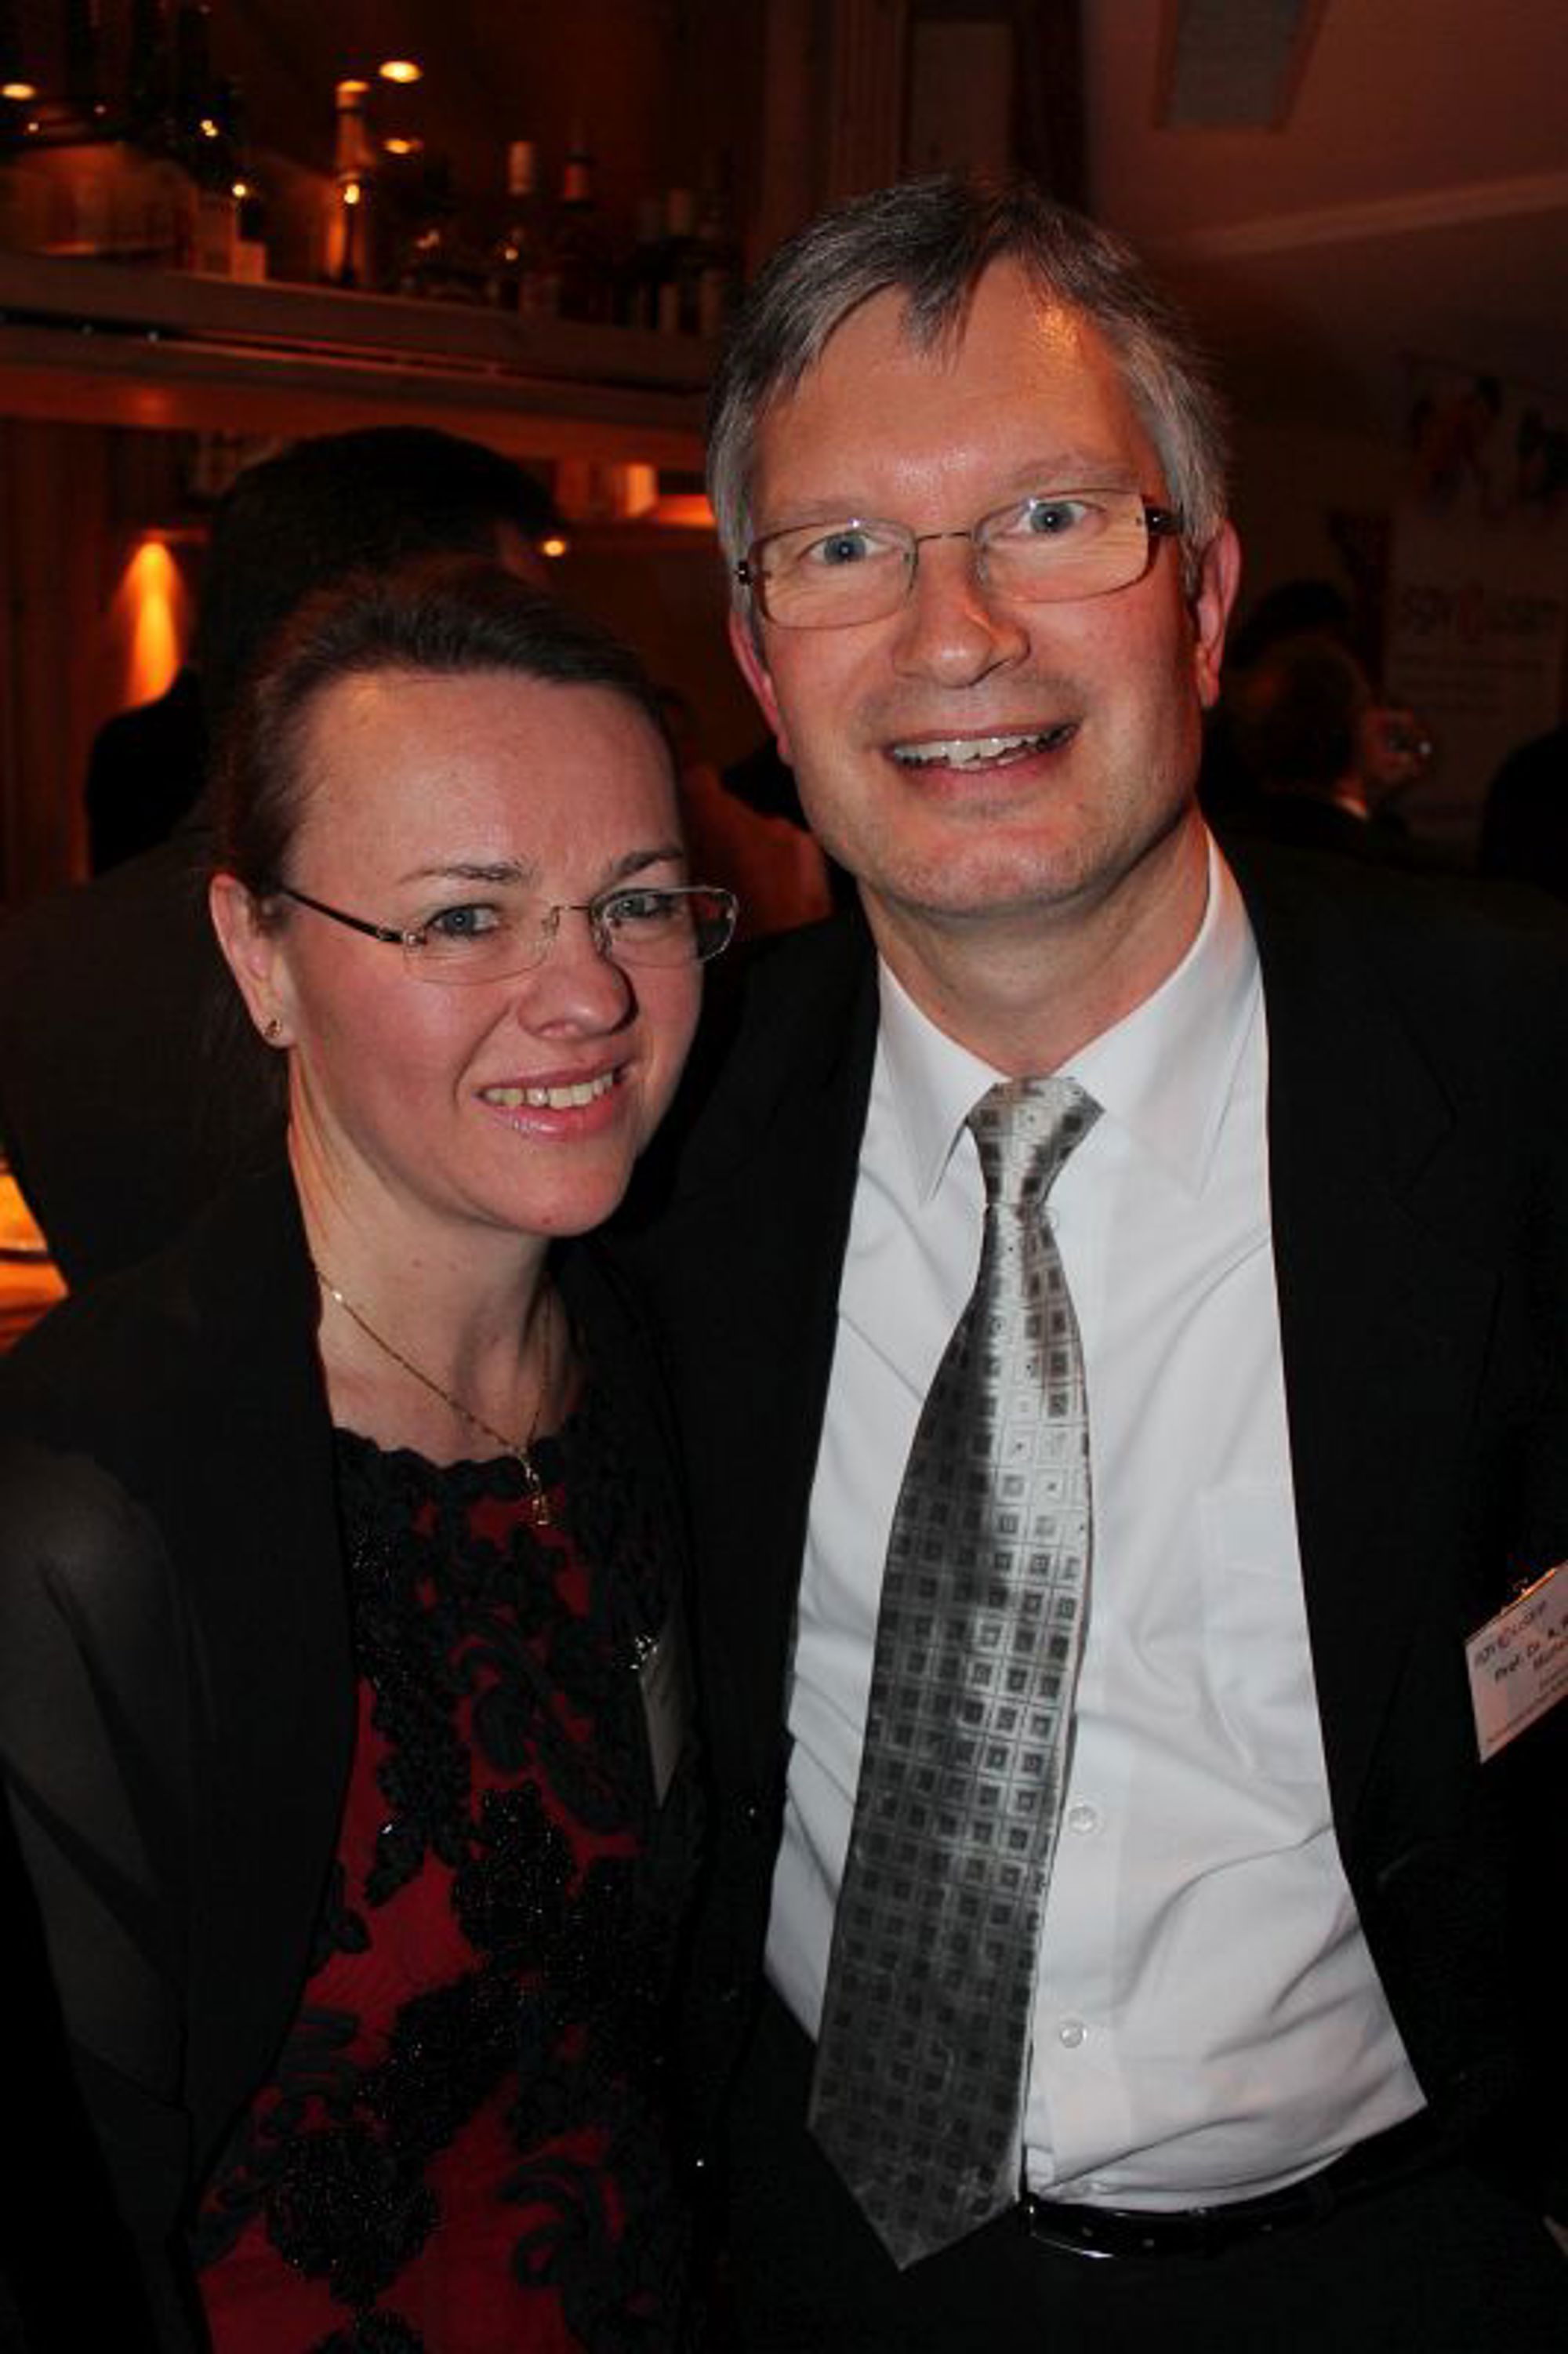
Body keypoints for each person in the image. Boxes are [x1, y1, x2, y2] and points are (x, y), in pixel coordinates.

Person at [610, 175, 1568, 2351]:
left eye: (1048, 518)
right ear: (758, 661)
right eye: (841, 548)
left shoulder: (1521, 1070)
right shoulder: (654, 1129)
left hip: (1399, 2267)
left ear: (1202, 599)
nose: (952, 633)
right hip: (809, 2264)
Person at [0, 560, 737, 2349]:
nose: (587, 992)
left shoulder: (672, 1365)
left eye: (636, 902)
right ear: (259, 953)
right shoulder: (87, 1508)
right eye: (466, 916)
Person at [0, 426, 563, 1293]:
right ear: (384, 632)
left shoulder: (42, 956)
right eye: (512, 632)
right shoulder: (414, 951)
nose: (549, 680)